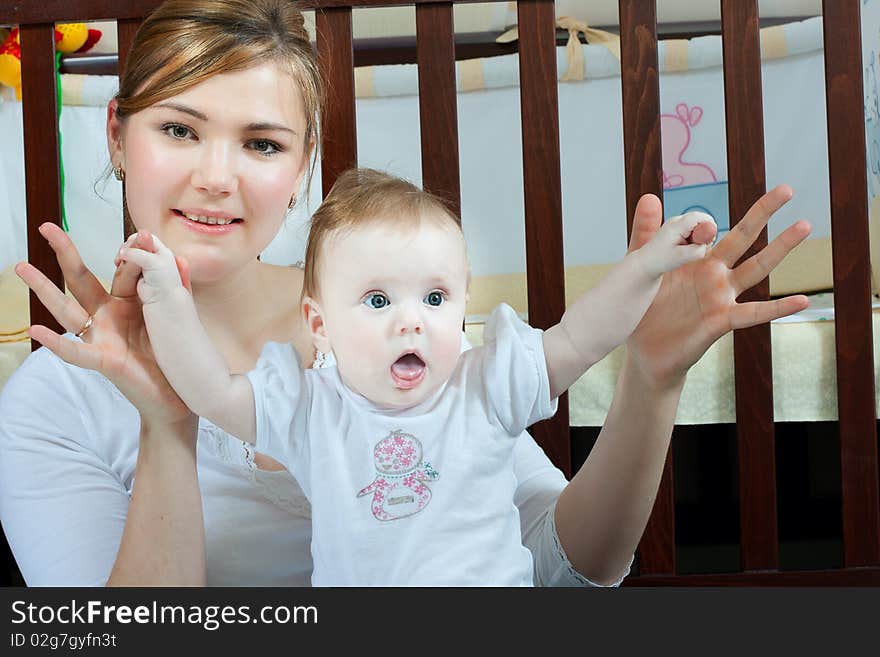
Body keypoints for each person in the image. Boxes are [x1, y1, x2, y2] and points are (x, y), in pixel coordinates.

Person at [0, 0, 811, 587]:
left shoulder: (391, 325)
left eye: (260, 142)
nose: (216, 177)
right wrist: (167, 425)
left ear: (303, 163)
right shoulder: (50, 403)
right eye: (179, 129)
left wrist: (652, 378)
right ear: (116, 133)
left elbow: (567, 563)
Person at [120, 167, 714, 585]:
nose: (412, 322)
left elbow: (583, 334)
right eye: (378, 301)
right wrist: (169, 302)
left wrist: (645, 269)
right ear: (318, 323)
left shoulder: (486, 384)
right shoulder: (309, 409)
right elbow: (208, 390)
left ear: (462, 304)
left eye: (434, 298)